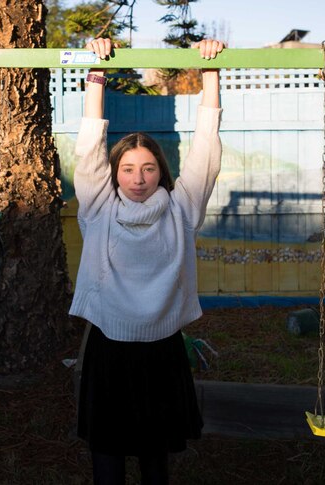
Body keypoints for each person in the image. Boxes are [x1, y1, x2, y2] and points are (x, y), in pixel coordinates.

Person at [70, 37, 224, 485]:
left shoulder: (182, 208)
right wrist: (96, 72)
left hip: (161, 351)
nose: (138, 179)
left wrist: (210, 70)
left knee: (156, 459)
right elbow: (89, 145)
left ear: (162, 170)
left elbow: (206, 151)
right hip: (109, 350)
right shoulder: (99, 207)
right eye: (128, 169)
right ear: (114, 174)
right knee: (108, 458)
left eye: (149, 168)